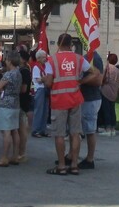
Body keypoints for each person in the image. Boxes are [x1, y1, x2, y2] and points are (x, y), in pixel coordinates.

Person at [44, 33, 89, 176]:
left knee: (59, 134)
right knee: (75, 133)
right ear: (71, 45)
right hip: (75, 98)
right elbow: (94, 73)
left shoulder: (52, 60)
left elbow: (49, 82)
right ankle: (75, 165)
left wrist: (44, 80)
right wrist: (80, 82)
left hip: (59, 100)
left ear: (58, 44)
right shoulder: (79, 58)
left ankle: (62, 166)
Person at [0, 52, 22, 167]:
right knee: (15, 130)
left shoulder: (8, 74)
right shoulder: (18, 73)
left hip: (6, 104)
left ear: (9, 61)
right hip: (16, 103)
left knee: (6, 132)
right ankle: (15, 155)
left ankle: (4, 157)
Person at [77, 49, 104, 170]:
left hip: (91, 98)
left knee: (89, 130)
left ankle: (90, 159)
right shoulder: (86, 56)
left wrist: (81, 81)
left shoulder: (95, 58)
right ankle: (72, 155)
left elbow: (98, 80)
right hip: (84, 98)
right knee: (79, 129)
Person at [15, 47, 33, 162]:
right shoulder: (20, 70)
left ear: (22, 59)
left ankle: (22, 152)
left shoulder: (25, 71)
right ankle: (18, 151)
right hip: (19, 101)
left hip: (22, 101)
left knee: (22, 128)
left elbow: (24, 88)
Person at [99, 53, 119, 137]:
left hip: (106, 91)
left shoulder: (108, 67)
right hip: (114, 92)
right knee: (112, 110)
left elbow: (103, 79)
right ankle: (113, 128)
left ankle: (107, 129)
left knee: (106, 110)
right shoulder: (117, 70)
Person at [30, 50, 51, 138]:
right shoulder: (36, 67)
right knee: (39, 110)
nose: (45, 58)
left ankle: (43, 129)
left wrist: (45, 78)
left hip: (46, 88)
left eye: (45, 56)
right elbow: (38, 80)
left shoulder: (46, 66)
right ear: (38, 58)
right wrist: (46, 78)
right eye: (43, 57)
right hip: (39, 89)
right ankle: (35, 130)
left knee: (45, 110)